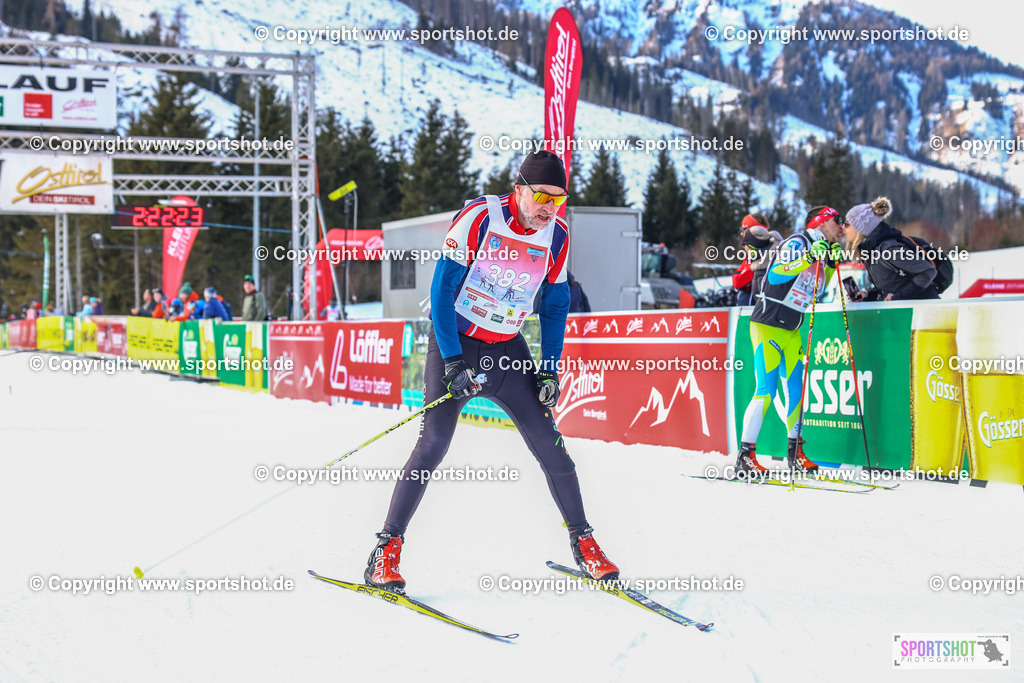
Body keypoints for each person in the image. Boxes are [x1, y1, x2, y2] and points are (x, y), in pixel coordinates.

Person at [364, 151, 619, 593]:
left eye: (557, 200)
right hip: (457, 345)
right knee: (433, 446)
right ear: (519, 188)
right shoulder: (480, 218)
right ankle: (385, 551)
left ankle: (584, 543)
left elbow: (556, 304)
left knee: (552, 448)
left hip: (508, 351)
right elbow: (442, 292)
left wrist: (549, 370)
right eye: (541, 195)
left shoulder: (556, 235)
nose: (548, 207)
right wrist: (453, 360)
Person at [740, 206, 844, 474]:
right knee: (766, 390)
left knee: (797, 392)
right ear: (821, 223)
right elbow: (775, 274)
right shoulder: (799, 242)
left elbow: (817, 289)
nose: (841, 227)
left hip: (792, 327)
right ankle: (745, 456)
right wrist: (809, 257)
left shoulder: (822, 247)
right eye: (836, 221)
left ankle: (795, 453)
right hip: (769, 325)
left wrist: (831, 265)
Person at [844, 197, 940, 301]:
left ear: (861, 227)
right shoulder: (870, 252)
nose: (843, 227)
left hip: (926, 312)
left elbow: (928, 271)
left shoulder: (889, 249)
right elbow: (892, 287)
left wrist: (898, 298)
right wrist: (867, 295)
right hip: (908, 313)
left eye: (847, 224)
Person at [732, 213, 771, 306]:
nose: (741, 233)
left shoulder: (761, 254)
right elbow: (736, 278)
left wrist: (738, 275)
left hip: (752, 310)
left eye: (743, 229)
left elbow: (738, 282)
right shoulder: (753, 253)